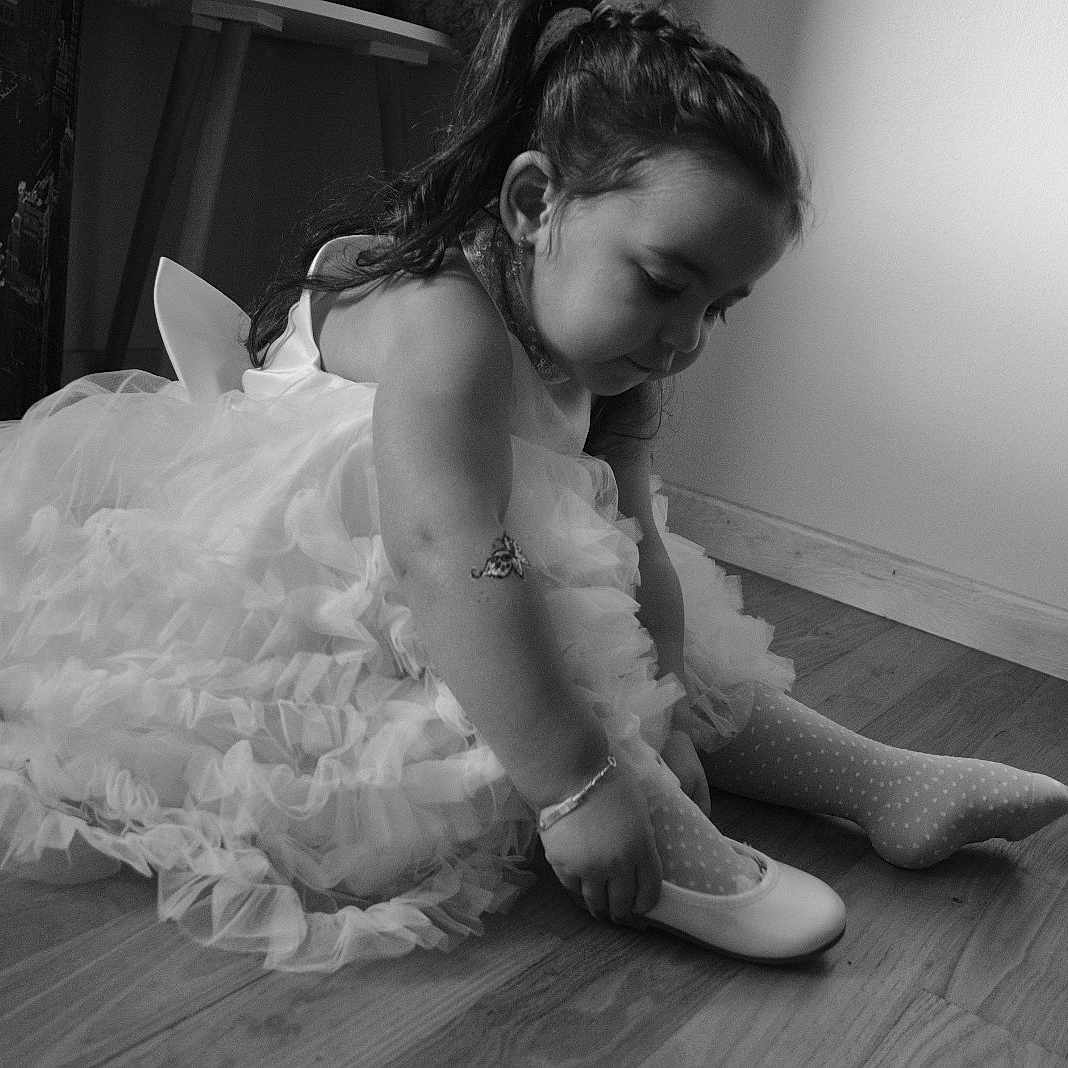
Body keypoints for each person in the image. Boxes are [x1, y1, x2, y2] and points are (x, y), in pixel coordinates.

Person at [1, 0, 1066, 973]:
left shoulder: (618, 358)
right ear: (532, 203)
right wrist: (579, 783)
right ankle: (632, 810)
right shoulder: (447, 321)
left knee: (625, 615)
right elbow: (447, 548)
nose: (686, 338)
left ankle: (877, 780)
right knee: (522, 609)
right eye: (664, 283)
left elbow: (639, 544)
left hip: (485, 551)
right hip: (350, 577)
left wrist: (667, 709)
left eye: (717, 308)